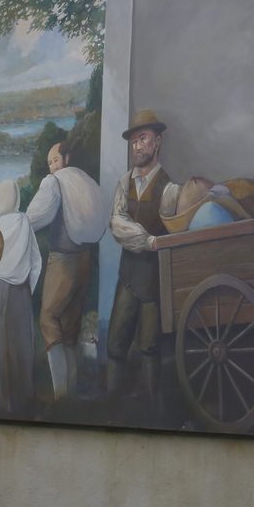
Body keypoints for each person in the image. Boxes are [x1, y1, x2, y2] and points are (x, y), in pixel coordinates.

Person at [107, 110, 183, 410]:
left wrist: (146, 241)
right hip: (128, 276)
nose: (138, 146)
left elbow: (170, 227)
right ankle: (111, 406)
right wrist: (148, 240)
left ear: (157, 142)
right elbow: (116, 223)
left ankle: (153, 408)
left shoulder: (170, 189)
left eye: (144, 139)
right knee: (115, 344)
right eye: (134, 141)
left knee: (150, 347)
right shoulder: (125, 183)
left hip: (154, 279)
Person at [26, 140, 109, 401]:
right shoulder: (83, 180)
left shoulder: (55, 182)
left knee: (49, 318)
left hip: (63, 261)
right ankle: (70, 391)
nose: (52, 166)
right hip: (84, 260)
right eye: (49, 162)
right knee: (71, 325)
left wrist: (18, 224)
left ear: (67, 159)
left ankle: (60, 392)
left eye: (55, 160)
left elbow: (37, 215)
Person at [0, 179, 43, 418]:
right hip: (21, 292)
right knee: (22, 345)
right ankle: (25, 396)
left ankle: (3, 399)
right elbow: (36, 261)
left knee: (0, 345)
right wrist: (26, 289)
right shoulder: (24, 222)